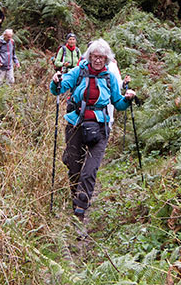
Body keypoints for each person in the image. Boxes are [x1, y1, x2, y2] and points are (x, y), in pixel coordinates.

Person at [50, 38, 137, 221]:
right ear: (89, 57)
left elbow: (118, 103)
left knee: (89, 170)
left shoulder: (109, 77)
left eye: (101, 57)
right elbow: (59, 88)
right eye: (95, 57)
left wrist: (128, 99)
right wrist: (56, 81)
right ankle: (76, 194)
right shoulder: (78, 72)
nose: (98, 60)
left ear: (106, 59)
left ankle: (80, 208)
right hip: (76, 125)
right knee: (74, 165)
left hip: (100, 127)